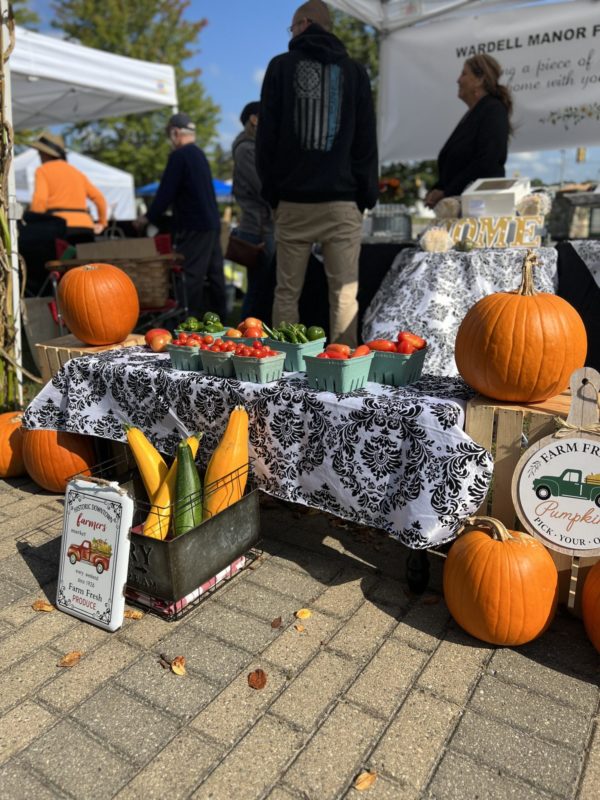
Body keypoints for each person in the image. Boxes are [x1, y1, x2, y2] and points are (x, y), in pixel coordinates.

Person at [256, 0, 378, 346]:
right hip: (342, 201)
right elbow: (366, 140)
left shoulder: (280, 67)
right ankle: (343, 375)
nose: (290, 34)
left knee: (286, 293)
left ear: (305, 24)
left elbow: (266, 139)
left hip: (293, 200)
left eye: (292, 27)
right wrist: (365, 195)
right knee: (343, 294)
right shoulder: (354, 71)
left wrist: (273, 193)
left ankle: (285, 373)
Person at [141, 113, 227, 322]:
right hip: (211, 222)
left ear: (175, 132)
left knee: (190, 275)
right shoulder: (199, 154)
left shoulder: (179, 156)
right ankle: (221, 321)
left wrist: (148, 217)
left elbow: (166, 193)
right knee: (215, 275)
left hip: (194, 223)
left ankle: (187, 320)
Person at [425, 54, 513, 209]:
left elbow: (487, 161)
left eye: (464, 74)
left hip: (481, 210)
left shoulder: (493, 110)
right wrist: (437, 189)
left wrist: (446, 191)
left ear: (480, 80)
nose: (458, 80)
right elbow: (457, 165)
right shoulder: (473, 115)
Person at [232, 101, 275, 324]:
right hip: (259, 229)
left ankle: (254, 334)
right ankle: (248, 336)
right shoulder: (246, 149)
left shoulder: (252, 147)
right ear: (254, 119)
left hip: (262, 227)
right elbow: (263, 188)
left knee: (263, 288)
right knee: (260, 290)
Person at [29, 131, 107, 244]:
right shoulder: (77, 172)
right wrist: (102, 223)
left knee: (55, 261)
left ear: (45, 154)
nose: (39, 157)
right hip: (85, 227)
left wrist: (34, 222)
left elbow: (40, 201)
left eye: (39, 153)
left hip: (58, 226)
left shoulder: (42, 170)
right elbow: (99, 198)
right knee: (85, 261)